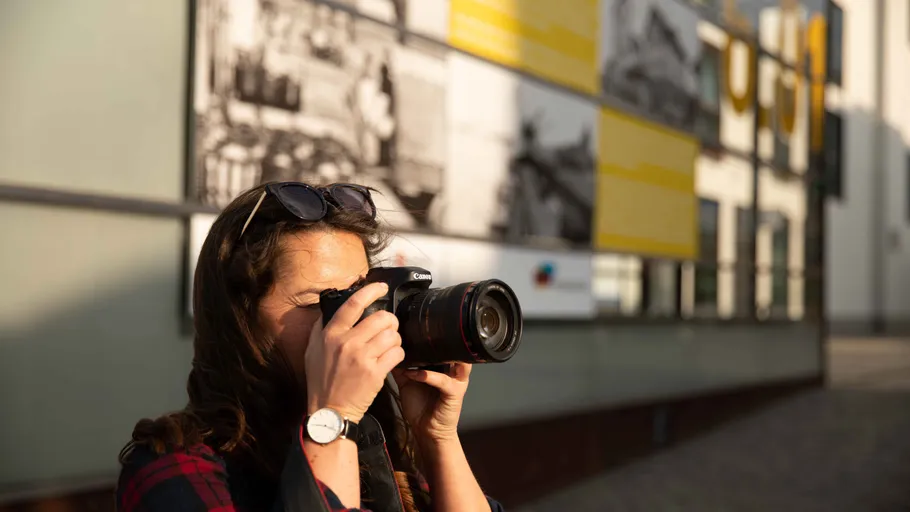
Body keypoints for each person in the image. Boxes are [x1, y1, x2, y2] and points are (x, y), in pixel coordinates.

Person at [116, 182, 503, 511]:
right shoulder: (173, 469)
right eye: (325, 301)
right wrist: (333, 417)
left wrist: (437, 438)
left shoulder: (373, 441)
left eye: (362, 297)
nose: (355, 321)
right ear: (239, 320)